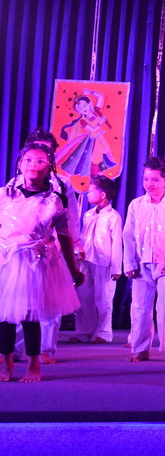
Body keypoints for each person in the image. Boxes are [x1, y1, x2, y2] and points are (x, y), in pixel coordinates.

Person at [0, 143, 83, 382]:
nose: (33, 165)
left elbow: (64, 235)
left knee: (30, 315)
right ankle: (6, 362)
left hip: (34, 263)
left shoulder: (54, 200)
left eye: (40, 161)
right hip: (6, 260)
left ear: (49, 167)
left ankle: (33, 364)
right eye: (28, 160)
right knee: (4, 316)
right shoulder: (5, 194)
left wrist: (73, 269)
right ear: (20, 164)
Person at [123, 157, 165, 362]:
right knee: (140, 308)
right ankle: (141, 348)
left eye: (155, 180)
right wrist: (129, 263)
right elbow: (128, 235)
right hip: (142, 264)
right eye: (146, 179)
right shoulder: (136, 205)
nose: (149, 184)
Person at [71, 175, 123, 344]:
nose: (88, 194)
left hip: (104, 263)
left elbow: (117, 243)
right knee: (84, 297)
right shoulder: (88, 215)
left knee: (104, 299)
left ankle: (103, 333)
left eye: (92, 191)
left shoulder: (113, 217)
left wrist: (116, 267)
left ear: (102, 195)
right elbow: (83, 237)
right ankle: (83, 332)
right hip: (86, 261)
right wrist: (77, 256)